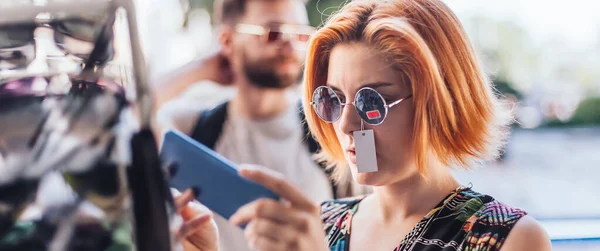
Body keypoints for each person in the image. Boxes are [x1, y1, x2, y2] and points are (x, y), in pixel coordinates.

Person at [177, 0, 553, 250]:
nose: (346, 124)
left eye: (371, 101)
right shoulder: (322, 222)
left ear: (440, 102)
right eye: (333, 99)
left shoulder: (511, 239)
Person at [156, 0, 371, 250]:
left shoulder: (339, 124)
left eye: (300, 34)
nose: (291, 45)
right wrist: (202, 69)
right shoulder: (191, 128)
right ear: (227, 41)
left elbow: (385, 213)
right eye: (273, 33)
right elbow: (119, 117)